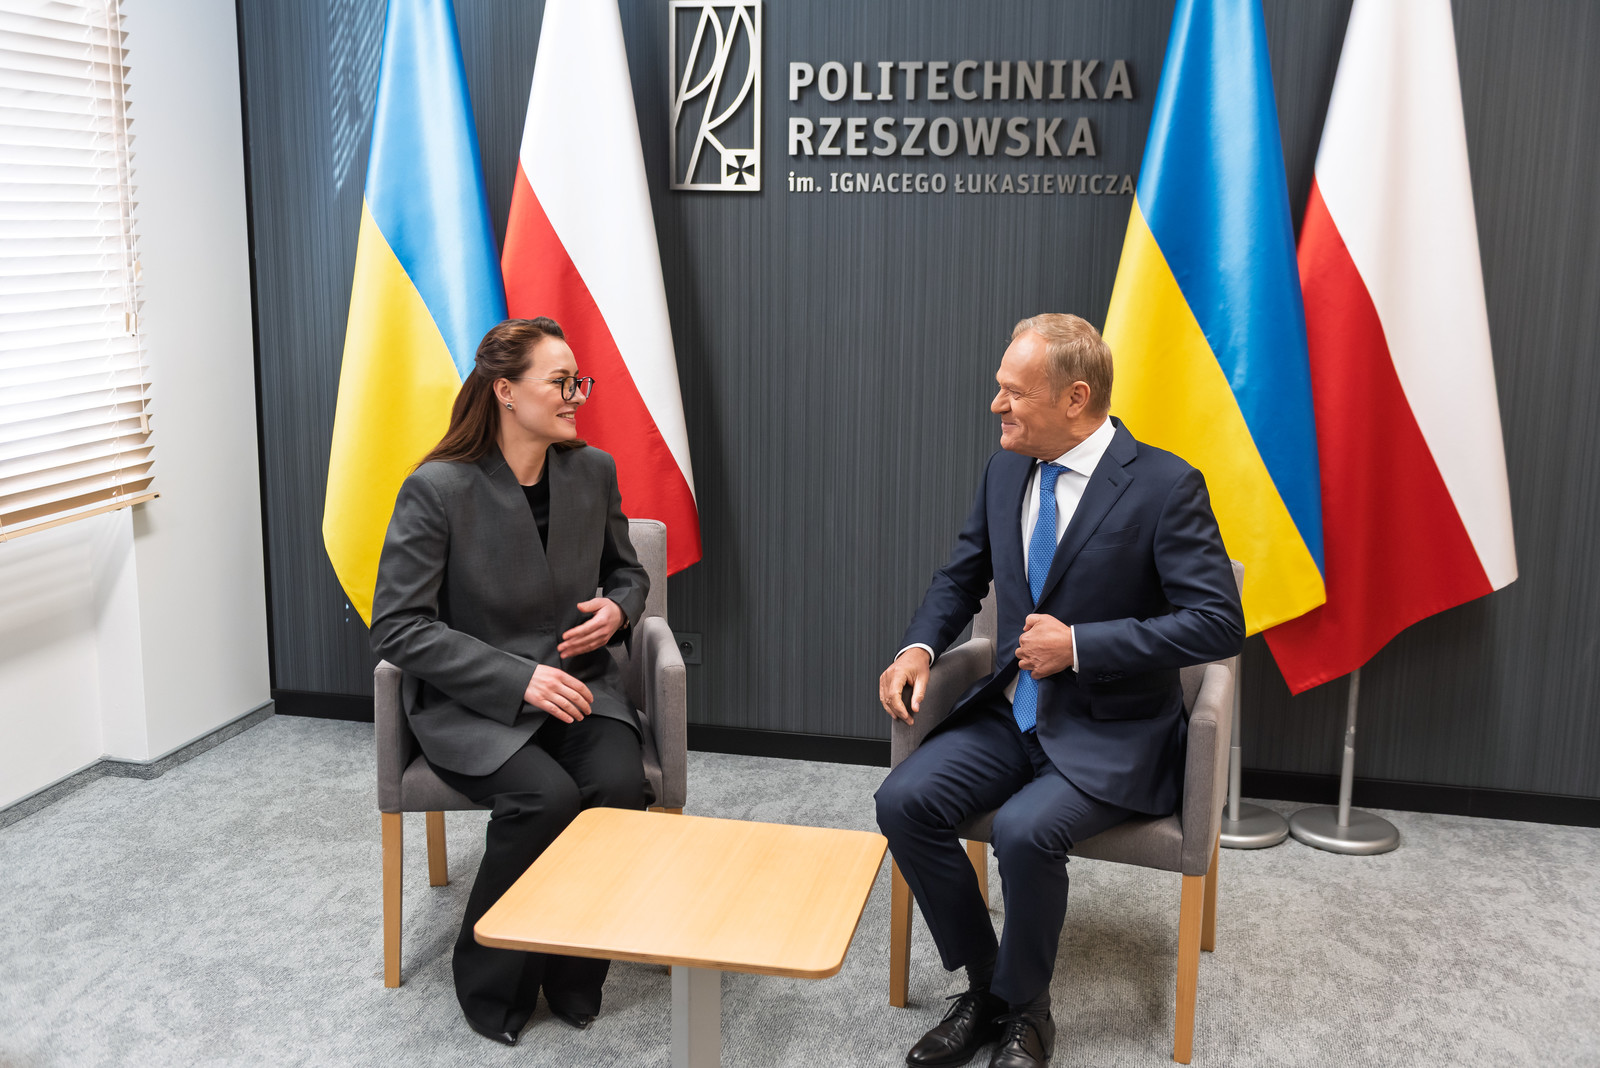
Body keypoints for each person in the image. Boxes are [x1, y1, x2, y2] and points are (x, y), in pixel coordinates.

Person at [874, 314, 1245, 1068]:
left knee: (1023, 831)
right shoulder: (1005, 469)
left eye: (1014, 392)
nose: (996, 405)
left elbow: (1217, 624)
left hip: (1114, 731)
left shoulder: (1165, 486)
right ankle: (995, 990)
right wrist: (918, 647)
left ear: (1075, 398)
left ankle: (1023, 1014)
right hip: (1014, 713)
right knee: (902, 802)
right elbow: (963, 575)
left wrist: (1079, 645)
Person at [370, 317, 651, 1046]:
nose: (577, 395)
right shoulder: (437, 489)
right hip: (475, 701)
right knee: (543, 797)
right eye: (561, 382)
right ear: (505, 391)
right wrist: (516, 677)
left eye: (579, 382)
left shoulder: (592, 471)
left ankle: (575, 974)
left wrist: (619, 609)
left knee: (619, 786)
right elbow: (397, 627)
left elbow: (627, 570)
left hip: (581, 686)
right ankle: (490, 981)